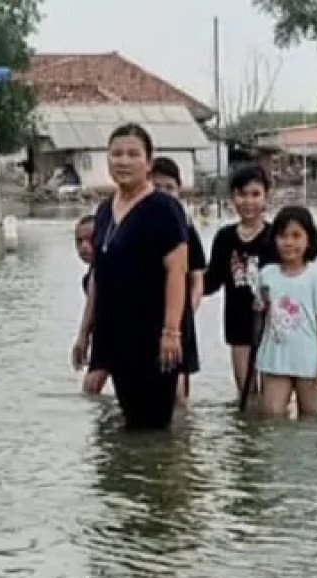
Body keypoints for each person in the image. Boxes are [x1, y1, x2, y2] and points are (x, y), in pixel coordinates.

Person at [71, 123, 189, 430]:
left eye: (133, 154)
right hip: (114, 333)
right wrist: (85, 333)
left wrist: (171, 332)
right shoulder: (104, 211)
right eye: (116, 154)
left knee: (154, 427)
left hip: (154, 334)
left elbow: (178, 271)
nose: (123, 161)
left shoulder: (165, 208)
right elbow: (99, 275)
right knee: (131, 423)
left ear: (148, 163)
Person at [254, 205, 317, 419]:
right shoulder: (266, 275)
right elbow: (260, 318)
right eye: (283, 236)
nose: (289, 242)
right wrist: (258, 309)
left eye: (296, 235)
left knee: (310, 419)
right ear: (275, 239)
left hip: (308, 361)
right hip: (274, 359)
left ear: (309, 240)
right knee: (272, 416)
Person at [203, 163, 277, 395]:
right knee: (246, 394)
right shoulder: (225, 238)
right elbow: (212, 280)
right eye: (242, 194)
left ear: (266, 197)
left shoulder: (275, 236)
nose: (248, 201)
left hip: (274, 327)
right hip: (238, 327)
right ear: (233, 197)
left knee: (272, 398)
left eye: (255, 194)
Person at [150, 156, 206, 405]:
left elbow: (197, 278)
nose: (163, 194)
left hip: (178, 318)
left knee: (178, 384)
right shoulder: (140, 224)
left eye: (169, 188)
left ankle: (181, 438)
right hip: (147, 315)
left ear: (179, 189)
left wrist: (187, 311)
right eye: (157, 187)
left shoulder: (185, 227)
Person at [73, 215, 111, 395]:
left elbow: (94, 305)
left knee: (91, 387)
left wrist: (83, 336)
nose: (84, 247)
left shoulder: (107, 269)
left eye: (90, 239)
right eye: (79, 241)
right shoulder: (91, 274)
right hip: (105, 335)